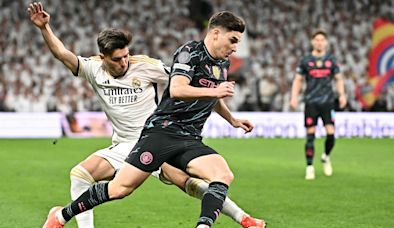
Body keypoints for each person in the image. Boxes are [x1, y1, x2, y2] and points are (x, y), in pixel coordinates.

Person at [28, 3, 265, 228]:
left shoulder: (148, 65)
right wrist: (44, 28)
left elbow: (186, 85)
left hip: (167, 135)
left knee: (195, 181)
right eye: (117, 59)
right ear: (103, 58)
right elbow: (62, 53)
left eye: (126, 56)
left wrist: (231, 118)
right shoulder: (93, 69)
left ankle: (241, 218)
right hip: (132, 142)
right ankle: (63, 218)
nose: (124, 62)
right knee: (89, 178)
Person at [290, 29, 347, 180]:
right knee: (310, 135)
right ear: (312, 42)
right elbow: (298, 79)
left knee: (331, 134)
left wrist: (342, 94)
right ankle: (309, 167)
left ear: (326, 42)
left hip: (328, 102)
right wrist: (294, 96)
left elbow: (339, 79)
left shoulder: (331, 60)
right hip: (311, 102)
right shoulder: (306, 60)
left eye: (322, 40)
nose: (319, 42)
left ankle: (326, 156)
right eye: (317, 40)